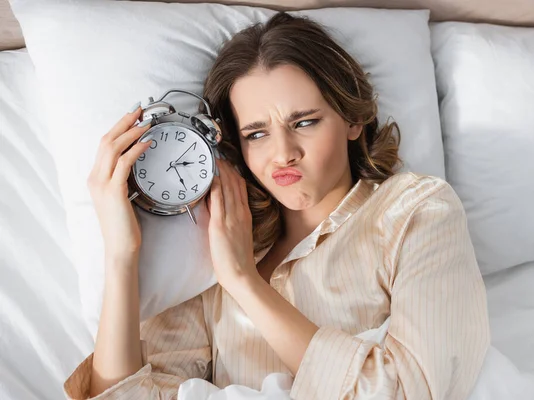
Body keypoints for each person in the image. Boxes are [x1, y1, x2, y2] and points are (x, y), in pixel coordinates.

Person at [64, 11, 490, 400]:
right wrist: (122, 254)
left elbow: (412, 393)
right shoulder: (215, 250)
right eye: (256, 134)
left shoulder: (416, 211)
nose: (283, 153)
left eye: (304, 122)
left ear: (352, 119)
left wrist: (245, 283)